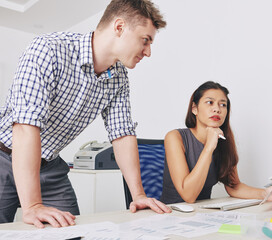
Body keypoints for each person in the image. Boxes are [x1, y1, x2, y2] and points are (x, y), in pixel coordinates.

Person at [0, 0, 171, 229]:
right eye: (145, 40)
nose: (148, 52)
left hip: (50, 165)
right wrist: (32, 205)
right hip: (4, 158)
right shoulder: (48, 49)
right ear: (119, 27)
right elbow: (25, 127)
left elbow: (122, 135)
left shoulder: (118, 78)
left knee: (73, 231)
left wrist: (138, 195)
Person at [160, 81, 272, 204]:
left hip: (202, 214)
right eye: (210, 103)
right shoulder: (175, 137)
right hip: (171, 215)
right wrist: (209, 147)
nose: (217, 109)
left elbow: (234, 186)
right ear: (194, 109)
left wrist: (266, 193)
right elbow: (189, 196)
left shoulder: (223, 141)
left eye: (223, 105)